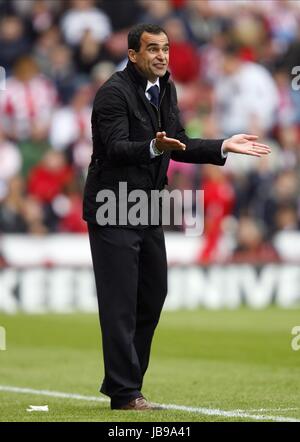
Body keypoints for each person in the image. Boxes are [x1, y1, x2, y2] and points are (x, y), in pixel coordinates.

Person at [83, 23, 271, 411]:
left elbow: (180, 142)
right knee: (120, 304)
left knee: (153, 295)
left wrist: (223, 145)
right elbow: (115, 147)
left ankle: (126, 383)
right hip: (112, 203)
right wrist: (153, 146)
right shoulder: (112, 94)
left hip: (147, 205)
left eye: (165, 49)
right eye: (152, 49)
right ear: (133, 54)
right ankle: (125, 392)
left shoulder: (165, 87)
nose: (161, 56)